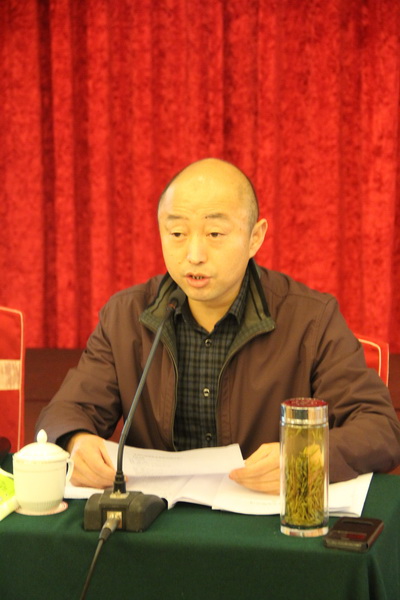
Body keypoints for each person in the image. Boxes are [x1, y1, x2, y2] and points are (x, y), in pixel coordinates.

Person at [36, 158, 400, 492]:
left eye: (214, 234)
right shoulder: (125, 315)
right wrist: (76, 441)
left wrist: (305, 458)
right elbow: (65, 412)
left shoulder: (311, 319)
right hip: (154, 520)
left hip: (262, 520)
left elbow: (380, 428)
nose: (194, 255)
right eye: (177, 234)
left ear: (255, 237)